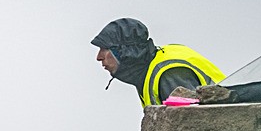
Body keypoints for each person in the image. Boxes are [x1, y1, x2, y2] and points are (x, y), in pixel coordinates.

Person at [92, 18, 225, 107]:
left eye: (104, 49)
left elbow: (192, 128)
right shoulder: (153, 69)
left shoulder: (168, 74)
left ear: (124, 52)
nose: (99, 57)